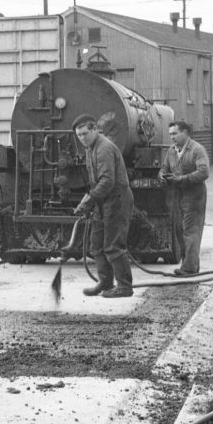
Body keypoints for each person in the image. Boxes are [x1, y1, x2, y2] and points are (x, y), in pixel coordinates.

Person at [72, 113, 135, 298]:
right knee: (96, 245)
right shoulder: (90, 148)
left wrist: (89, 199)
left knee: (113, 246)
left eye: (85, 133)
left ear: (95, 130)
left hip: (117, 199)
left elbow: (107, 181)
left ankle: (124, 287)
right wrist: (92, 201)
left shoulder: (104, 148)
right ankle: (106, 283)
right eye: (79, 135)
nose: (82, 138)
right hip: (103, 201)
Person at [158, 120, 210, 276]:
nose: (172, 137)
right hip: (176, 196)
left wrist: (181, 179)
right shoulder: (171, 151)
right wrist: (161, 176)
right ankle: (189, 264)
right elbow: (164, 168)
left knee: (190, 231)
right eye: (170, 134)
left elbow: (204, 172)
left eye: (175, 133)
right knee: (180, 230)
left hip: (194, 196)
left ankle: (188, 268)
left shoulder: (197, 150)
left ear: (185, 133)